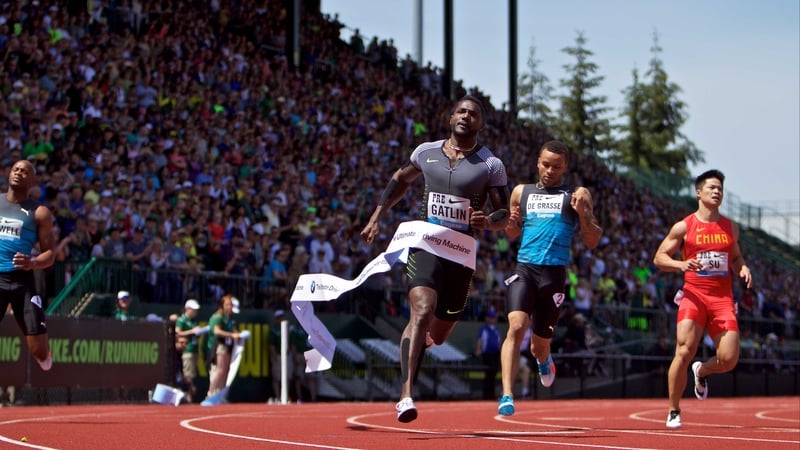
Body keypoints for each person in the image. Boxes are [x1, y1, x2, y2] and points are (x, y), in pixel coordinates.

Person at [360, 95, 510, 422]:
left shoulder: (490, 164)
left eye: (473, 114)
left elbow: (504, 213)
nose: (466, 117)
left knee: (438, 335)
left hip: (461, 254)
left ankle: (420, 340)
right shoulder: (425, 153)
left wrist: (489, 221)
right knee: (421, 310)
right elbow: (400, 180)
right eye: (461, 111)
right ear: (451, 116)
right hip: (425, 243)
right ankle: (406, 394)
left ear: (481, 124)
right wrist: (377, 215)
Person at [497, 140, 603, 416]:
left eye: (556, 166)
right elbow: (511, 233)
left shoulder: (577, 194)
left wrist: (583, 215)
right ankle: (507, 394)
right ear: (537, 162)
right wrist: (512, 222)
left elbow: (592, 240)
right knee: (516, 326)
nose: (549, 171)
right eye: (545, 164)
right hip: (525, 269)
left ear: (565, 166)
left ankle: (545, 360)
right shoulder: (522, 192)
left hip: (554, 275)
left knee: (538, 345)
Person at [653, 169, 752, 429]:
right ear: (699, 192)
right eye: (711, 188)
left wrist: (742, 267)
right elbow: (659, 257)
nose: (717, 192)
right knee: (683, 352)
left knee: (729, 358)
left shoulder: (731, 227)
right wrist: (681, 264)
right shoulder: (684, 226)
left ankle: (703, 371)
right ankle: (674, 409)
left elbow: (736, 256)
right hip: (694, 296)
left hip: (722, 300)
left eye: (720, 188)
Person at [0, 160, 56, 372]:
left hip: (22, 281)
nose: (19, 173)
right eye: (16, 169)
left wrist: (31, 262)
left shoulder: (39, 212)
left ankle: (44, 354)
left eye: (25, 171)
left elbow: (50, 254)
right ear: (9, 174)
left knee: (40, 354)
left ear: (32, 180)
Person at [204, 294, 242, 400]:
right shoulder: (217, 317)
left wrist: (237, 334)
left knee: (225, 370)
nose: (229, 307)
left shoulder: (229, 318)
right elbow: (217, 331)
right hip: (219, 345)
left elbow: (233, 329)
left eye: (231, 304)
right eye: (227, 304)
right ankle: (210, 393)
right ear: (222, 305)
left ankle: (219, 394)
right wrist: (232, 335)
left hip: (227, 346)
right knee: (219, 370)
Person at [174, 299, 202, 402]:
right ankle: (188, 397)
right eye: (193, 310)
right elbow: (177, 332)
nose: (195, 312)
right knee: (188, 374)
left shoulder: (193, 321)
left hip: (194, 349)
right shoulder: (182, 320)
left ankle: (189, 396)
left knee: (191, 374)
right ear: (187, 309)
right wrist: (192, 331)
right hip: (187, 350)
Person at [474, 309, 502, 400]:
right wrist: (478, 350)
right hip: (487, 354)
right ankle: (486, 395)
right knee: (488, 374)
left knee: (493, 374)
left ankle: (492, 394)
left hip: (495, 354)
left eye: (494, 318)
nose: (492, 319)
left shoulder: (496, 330)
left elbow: (499, 342)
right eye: (491, 317)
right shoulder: (484, 329)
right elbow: (480, 340)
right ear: (487, 318)